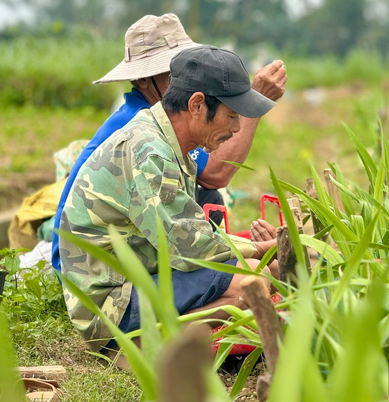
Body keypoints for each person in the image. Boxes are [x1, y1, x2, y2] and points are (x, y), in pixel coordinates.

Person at [59, 45, 280, 351]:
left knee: (258, 273)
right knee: (250, 284)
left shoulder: (165, 137)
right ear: (197, 105)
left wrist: (258, 253)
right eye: (231, 115)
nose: (237, 128)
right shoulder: (150, 151)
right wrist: (260, 248)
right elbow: (192, 246)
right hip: (110, 305)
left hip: (136, 277)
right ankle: (133, 349)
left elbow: (186, 230)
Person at [51, 13, 287, 273]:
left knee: (208, 201)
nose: (185, 81)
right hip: (95, 269)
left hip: (122, 250)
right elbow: (215, 174)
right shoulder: (141, 130)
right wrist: (268, 248)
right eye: (175, 74)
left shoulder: (164, 121)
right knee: (246, 269)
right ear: (143, 80)